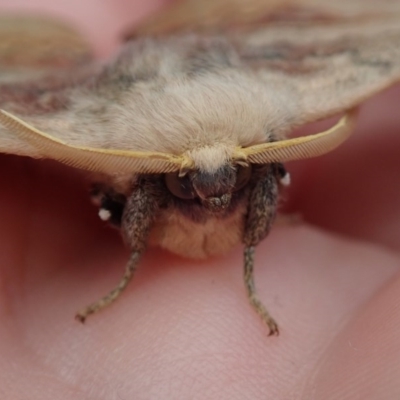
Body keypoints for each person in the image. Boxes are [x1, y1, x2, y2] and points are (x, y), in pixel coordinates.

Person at [1, 1, 400, 398]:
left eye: (239, 174)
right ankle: (134, 263)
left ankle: (244, 263)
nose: (215, 196)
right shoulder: (133, 171)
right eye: (183, 183)